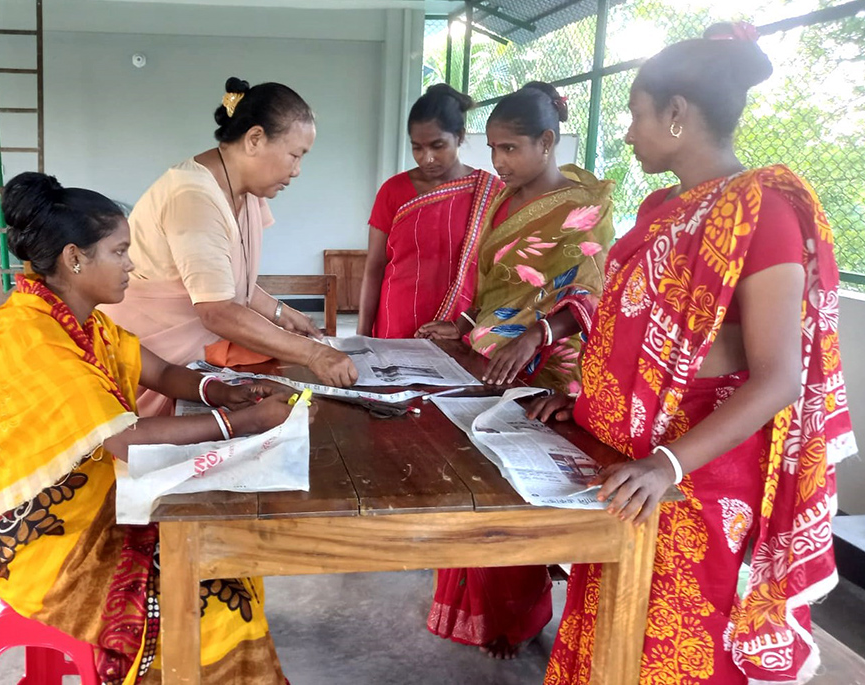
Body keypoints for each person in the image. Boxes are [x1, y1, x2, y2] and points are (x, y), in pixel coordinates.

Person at [528, 22, 856, 684]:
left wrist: (664, 465)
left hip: (694, 477)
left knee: (674, 649)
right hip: (633, 468)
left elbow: (778, 379)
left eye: (636, 115)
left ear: (677, 113)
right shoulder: (663, 207)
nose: (626, 133)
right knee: (612, 634)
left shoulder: (763, 210)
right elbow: (633, 332)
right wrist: (584, 405)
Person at [0, 172, 309, 684]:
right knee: (211, 605)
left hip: (95, 497)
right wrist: (240, 422)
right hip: (45, 536)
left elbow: (158, 371)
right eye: (120, 251)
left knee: (227, 553)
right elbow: (125, 440)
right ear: (74, 258)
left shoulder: (83, 319)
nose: (132, 264)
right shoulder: (35, 338)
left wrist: (220, 392)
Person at [416, 82, 615, 658]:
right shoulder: (506, 199)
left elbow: (591, 292)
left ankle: (519, 616)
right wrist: (465, 323)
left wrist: (537, 333)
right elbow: (496, 285)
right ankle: (476, 610)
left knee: (525, 502)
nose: (497, 162)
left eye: (509, 149)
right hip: (492, 358)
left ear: (547, 142)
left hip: (553, 368)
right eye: (493, 148)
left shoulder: (586, 208)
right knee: (478, 484)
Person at [103, 77, 356, 416]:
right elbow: (218, 310)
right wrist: (314, 355)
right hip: (154, 357)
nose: (296, 171)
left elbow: (236, 285)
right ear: (254, 139)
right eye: (295, 155)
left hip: (191, 348)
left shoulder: (242, 189)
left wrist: (284, 315)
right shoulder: (193, 197)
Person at [356, 84, 502, 338]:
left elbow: (500, 271)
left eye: (438, 146)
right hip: (397, 322)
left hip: (461, 327)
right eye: (417, 148)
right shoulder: (393, 191)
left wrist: (468, 324)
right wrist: (362, 335)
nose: (427, 158)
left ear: (460, 136)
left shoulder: (489, 192)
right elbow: (375, 266)